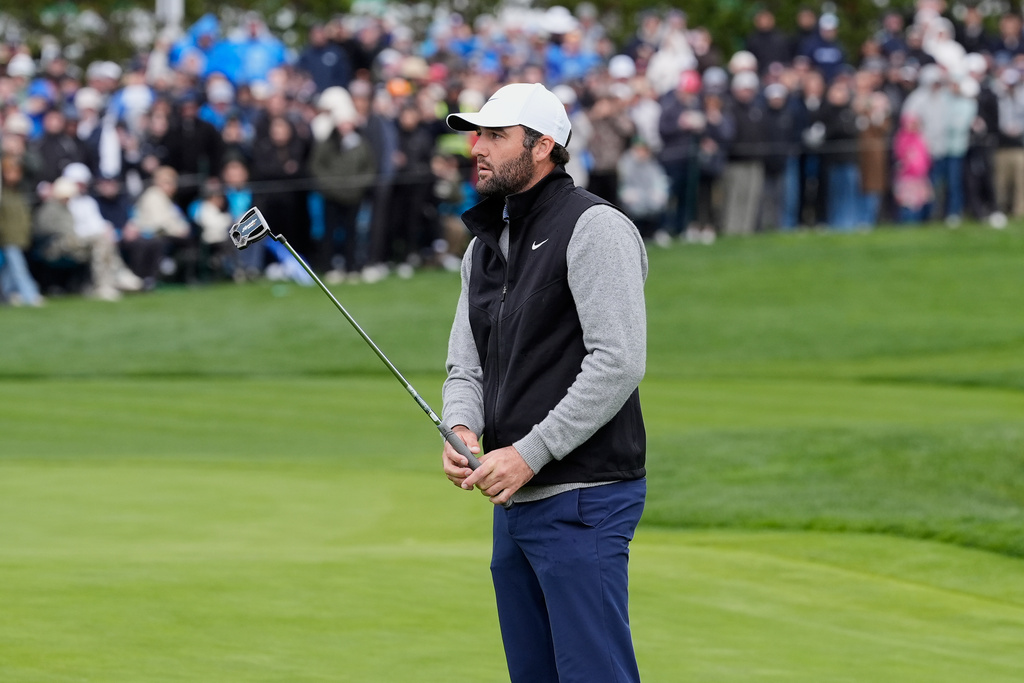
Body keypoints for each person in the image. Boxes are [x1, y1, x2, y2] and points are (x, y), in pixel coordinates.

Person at [441, 82, 648, 683]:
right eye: (474, 135)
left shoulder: (594, 228)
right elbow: (466, 363)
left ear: (543, 147)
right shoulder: (483, 247)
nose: (476, 147)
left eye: (495, 136)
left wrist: (529, 454)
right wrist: (462, 427)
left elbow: (617, 362)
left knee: (594, 674)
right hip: (516, 502)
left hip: (585, 495)